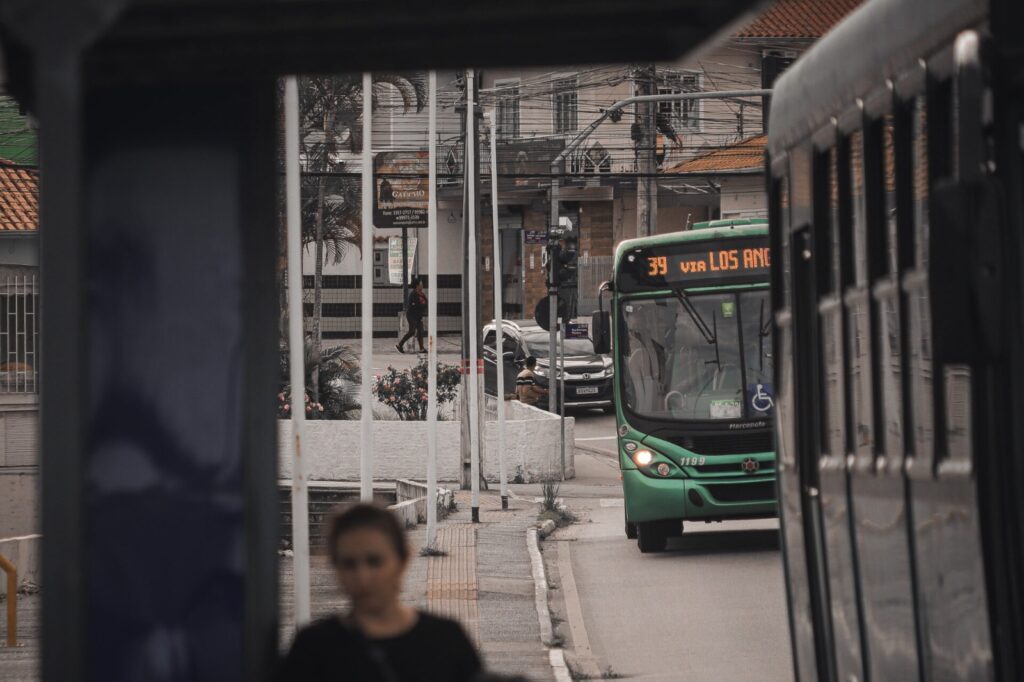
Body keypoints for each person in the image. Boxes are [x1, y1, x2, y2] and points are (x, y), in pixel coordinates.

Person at [279, 504, 482, 681]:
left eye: (375, 562)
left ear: (403, 560)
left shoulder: (447, 641)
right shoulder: (313, 649)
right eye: (349, 564)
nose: (363, 577)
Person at [396, 280, 427, 354]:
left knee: (420, 331)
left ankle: (421, 348)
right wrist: (421, 309)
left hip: (419, 315)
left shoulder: (422, 294)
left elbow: (425, 303)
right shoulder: (413, 294)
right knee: (412, 331)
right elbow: (414, 305)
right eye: (421, 284)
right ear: (417, 286)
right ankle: (399, 345)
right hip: (412, 315)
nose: (422, 286)